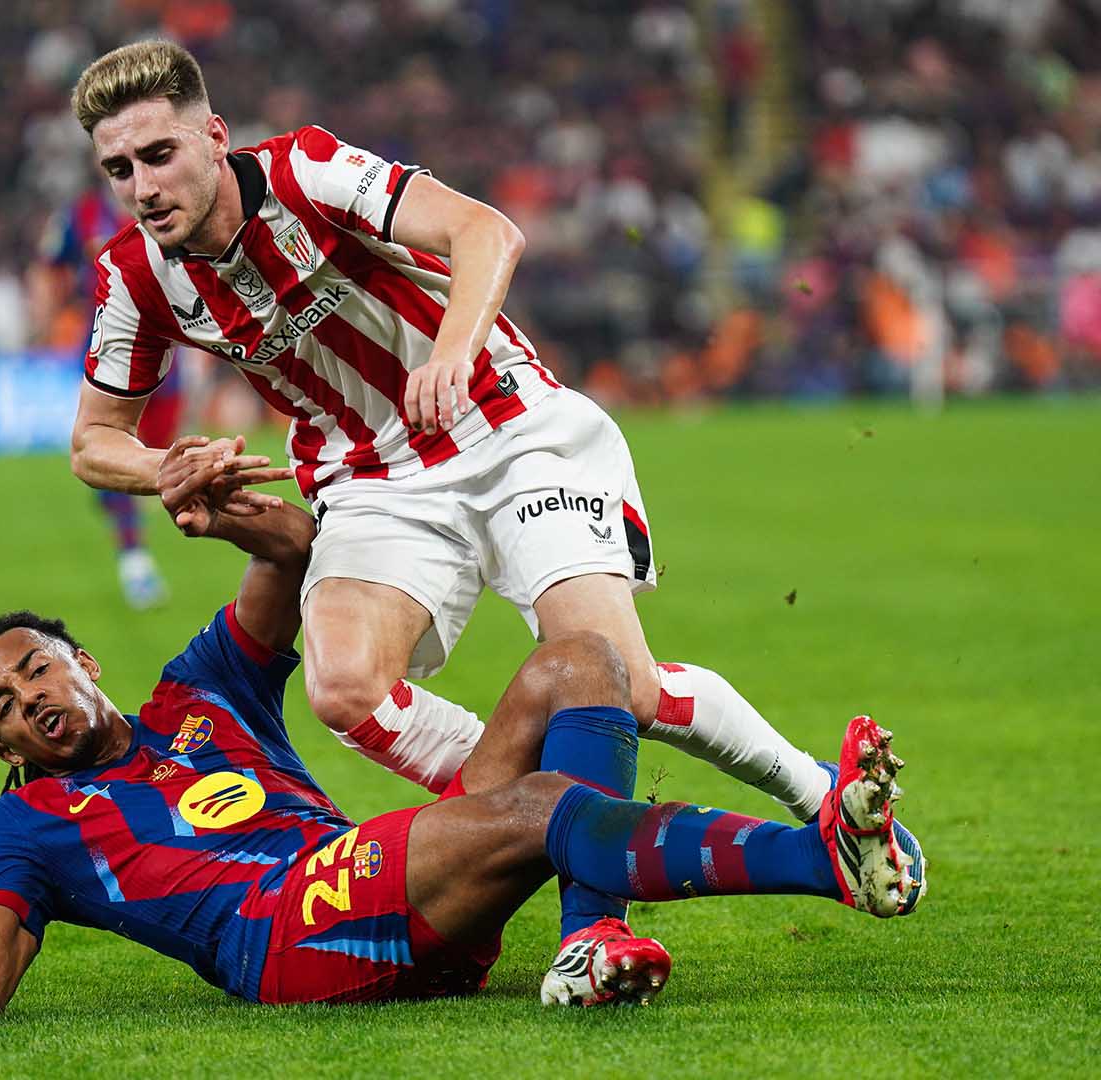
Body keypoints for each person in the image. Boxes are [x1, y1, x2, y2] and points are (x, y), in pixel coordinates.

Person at [61, 41, 890, 987]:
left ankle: (815, 795)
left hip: (504, 424)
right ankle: (560, 854)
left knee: (620, 682)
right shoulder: (133, 275)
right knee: (344, 685)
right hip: (369, 476)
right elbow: (93, 442)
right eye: (118, 169)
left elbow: (486, 232)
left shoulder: (304, 170)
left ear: (213, 137)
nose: (142, 187)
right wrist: (165, 468)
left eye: (159, 154)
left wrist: (453, 352)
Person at [0, 441, 926, 1033]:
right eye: (4, 711)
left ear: (81, 660)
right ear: (4, 752)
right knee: (534, 809)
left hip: (365, 878)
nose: (30, 701)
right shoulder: (27, 831)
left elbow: (294, 557)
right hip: (287, 937)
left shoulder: (199, 691)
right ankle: (825, 856)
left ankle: (589, 937)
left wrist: (224, 514)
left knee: (579, 664)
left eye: (33, 669)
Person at [31, 182, 189, 609]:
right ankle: (134, 559)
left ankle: (113, 497)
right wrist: (47, 317)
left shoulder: (168, 201)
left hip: (170, 343)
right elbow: (49, 265)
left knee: (157, 455)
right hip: (110, 346)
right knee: (115, 444)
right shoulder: (80, 215)